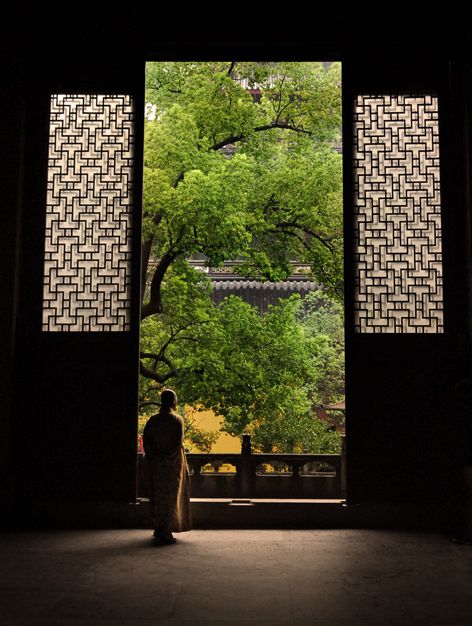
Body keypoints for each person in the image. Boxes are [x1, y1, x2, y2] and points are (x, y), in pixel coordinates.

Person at [142, 388, 191, 545]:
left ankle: (159, 528)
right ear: (173, 402)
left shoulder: (152, 420)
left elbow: (147, 442)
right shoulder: (177, 420)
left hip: (156, 464)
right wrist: (167, 457)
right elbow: (177, 443)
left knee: (157, 496)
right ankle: (166, 531)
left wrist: (156, 456)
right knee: (170, 497)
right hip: (172, 465)